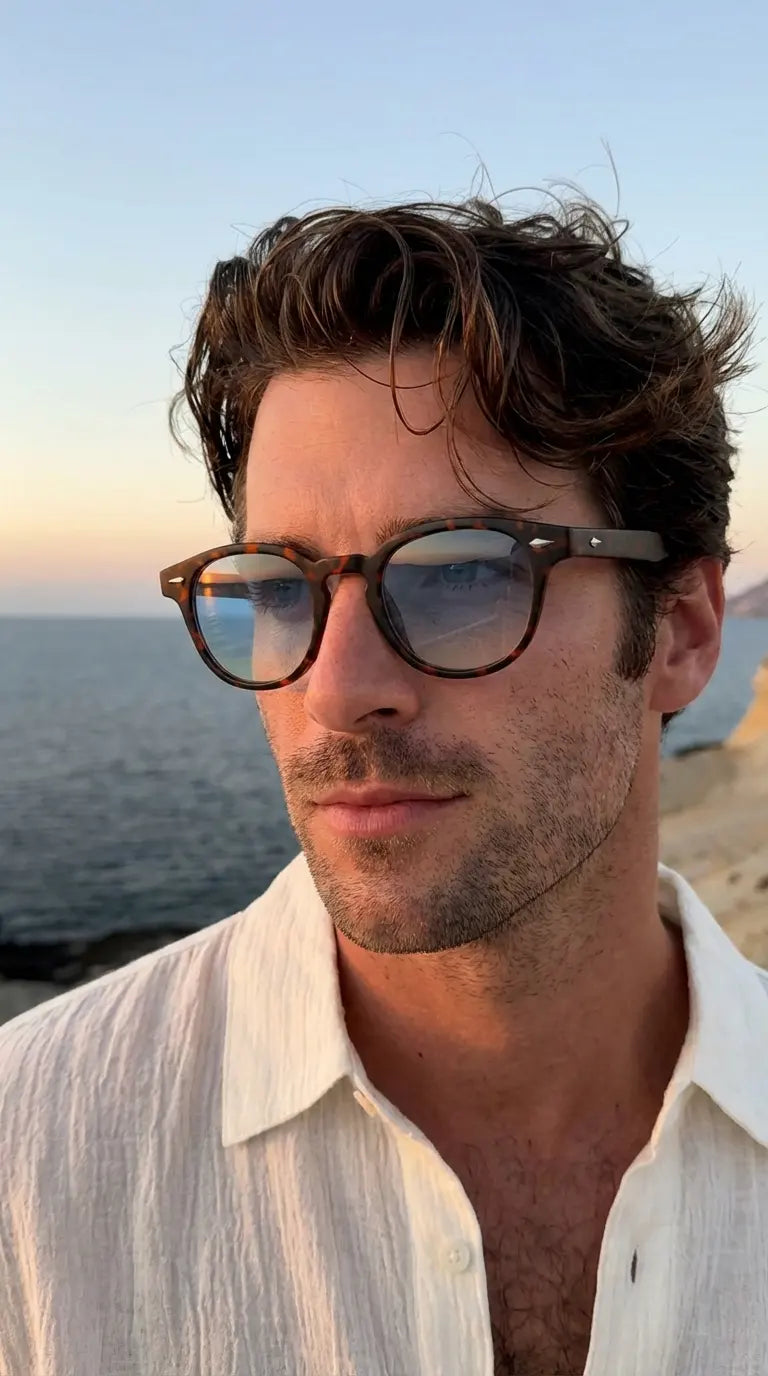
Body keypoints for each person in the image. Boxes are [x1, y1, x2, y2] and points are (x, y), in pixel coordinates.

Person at [0, 192, 764, 1376]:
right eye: (278, 585)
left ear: (680, 631)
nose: (337, 688)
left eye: (461, 574)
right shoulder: (31, 1160)